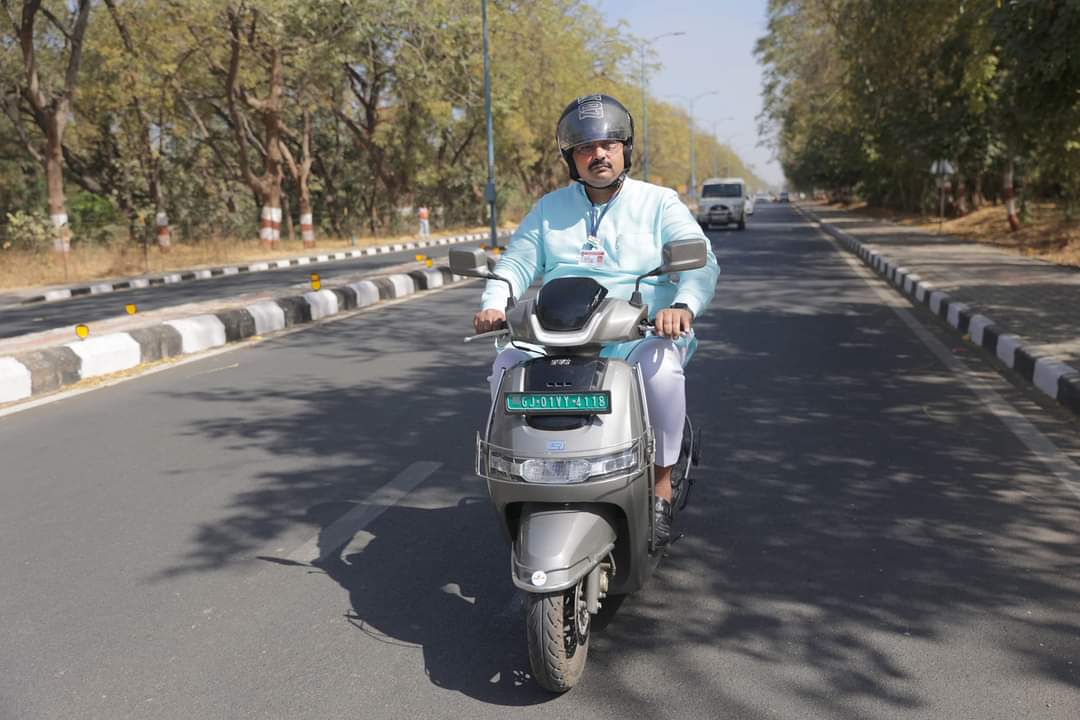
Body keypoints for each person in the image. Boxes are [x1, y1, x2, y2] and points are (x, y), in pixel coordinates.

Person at [473, 93, 720, 547]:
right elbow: (515, 264)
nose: (599, 154)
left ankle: (661, 485)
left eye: (609, 143)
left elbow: (700, 261)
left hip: (638, 334)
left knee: (662, 370)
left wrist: (681, 308)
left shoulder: (659, 202)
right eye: (586, 148)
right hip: (557, 337)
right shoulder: (549, 209)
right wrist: (494, 302)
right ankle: (518, 473)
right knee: (505, 365)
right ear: (572, 159)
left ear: (626, 149)